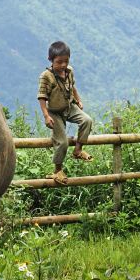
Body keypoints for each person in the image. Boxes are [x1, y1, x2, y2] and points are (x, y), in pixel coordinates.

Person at [37, 40, 94, 185]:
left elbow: (73, 87)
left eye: (66, 61)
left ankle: (78, 150)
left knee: (87, 121)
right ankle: (57, 170)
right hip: (55, 112)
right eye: (59, 62)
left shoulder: (69, 71)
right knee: (62, 142)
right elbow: (42, 97)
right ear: (51, 60)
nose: (63, 65)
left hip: (69, 107)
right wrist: (46, 116)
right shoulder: (46, 76)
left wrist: (78, 100)